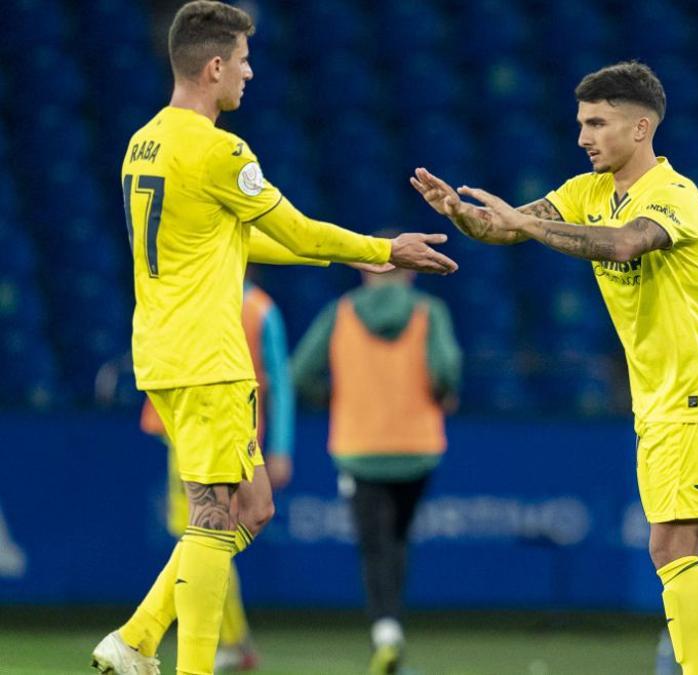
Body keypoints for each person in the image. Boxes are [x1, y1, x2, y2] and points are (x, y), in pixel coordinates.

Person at [411, 61, 698, 675]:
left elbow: (624, 243)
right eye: (581, 123)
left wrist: (526, 223)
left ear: (641, 127)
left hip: (694, 388)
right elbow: (504, 228)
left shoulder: (676, 196)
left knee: (672, 549)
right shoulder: (587, 191)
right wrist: (458, 213)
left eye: (597, 123)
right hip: (658, 395)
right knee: (686, 552)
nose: (583, 137)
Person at [92, 3, 456, 674]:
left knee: (252, 509)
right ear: (215, 66)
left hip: (162, 351)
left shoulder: (144, 141)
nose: (250, 72)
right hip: (207, 357)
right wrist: (384, 248)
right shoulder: (220, 150)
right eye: (243, 60)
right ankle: (182, 662)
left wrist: (348, 258)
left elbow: (234, 239)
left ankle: (138, 636)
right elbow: (294, 227)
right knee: (211, 518)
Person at [291, 255, 461, 675]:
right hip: (417, 447)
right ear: (411, 272)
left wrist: (331, 399)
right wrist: (442, 393)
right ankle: (392, 629)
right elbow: (447, 368)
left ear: (366, 271)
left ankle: (385, 631)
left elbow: (299, 373)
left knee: (373, 545)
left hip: (358, 447)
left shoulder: (340, 313)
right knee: (398, 540)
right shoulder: (428, 311)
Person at [138, 278, 294, 671]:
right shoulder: (200, 290)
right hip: (193, 427)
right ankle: (229, 639)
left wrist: (281, 446)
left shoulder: (256, 308)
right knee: (206, 530)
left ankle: (230, 639)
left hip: (223, 431)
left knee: (204, 532)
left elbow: (281, 382)